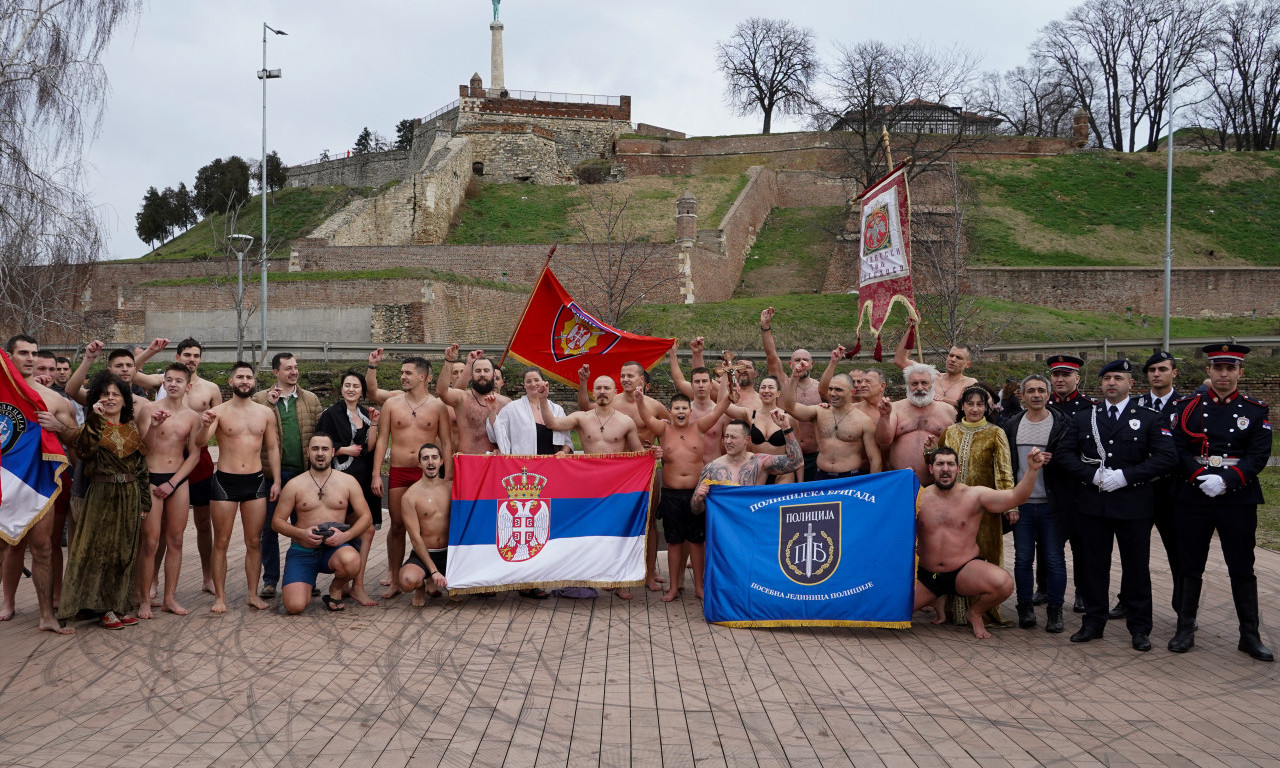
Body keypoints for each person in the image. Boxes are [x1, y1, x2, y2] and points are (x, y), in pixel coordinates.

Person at [1055, 359, 1177, 652]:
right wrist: (1091, 475)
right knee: (1094, 567)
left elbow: (1166, 457)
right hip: (1093, 503)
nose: (1112, 382)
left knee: (1136, 569)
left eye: (1118, 378)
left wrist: (1125, 476)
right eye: (1107, 378)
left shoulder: (1148, 417)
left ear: (1130, 384)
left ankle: (1140, 628)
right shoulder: (1085, 416)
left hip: (1133, 504)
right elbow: (1064, 454)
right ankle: (1093, 623)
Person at [1168, 344, 1274, 661]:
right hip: (1194, 493)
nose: (1224, 374)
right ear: (1208, 371)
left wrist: (1227, 480)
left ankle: (1249, 635)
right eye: (1218, 368)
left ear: (1241, 372)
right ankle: (1185, 629)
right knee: (1189, 564)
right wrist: (1200, 476)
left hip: (1237, 497)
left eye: (1230, 368)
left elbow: (1258, 455)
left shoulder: (1255, 410)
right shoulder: (1187, 407)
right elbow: (1178, 449)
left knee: (1242, 566)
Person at [58, 371, 167, 630]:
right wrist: (95, 418)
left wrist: (144, 502)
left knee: (124, 553)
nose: (110, 398)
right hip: (101, 494)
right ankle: (100, 608)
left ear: (124, 400)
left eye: (115, 394)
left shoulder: (130, 429)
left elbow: (141, 466)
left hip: (129, 494)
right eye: (105, 394)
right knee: (100, 553)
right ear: (97, 399)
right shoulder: (91, 426)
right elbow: (84, 450)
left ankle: (119, 606)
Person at [913, 446, 1047, 640]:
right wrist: (900, 480)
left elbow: (1016, 497)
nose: (945, 469)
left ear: (958, 468)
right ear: (930, 468)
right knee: (894, 613)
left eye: (950, 464)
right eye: (940, 464)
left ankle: (975, 613)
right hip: (929, 575)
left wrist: (1032, 470)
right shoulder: (918, 497)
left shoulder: (974, 495)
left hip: (963, 570)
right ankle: (936, 598)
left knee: (1003, 584)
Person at [536, 373, 644, 599]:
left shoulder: (626, 421)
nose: (602, 392)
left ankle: (618, 583)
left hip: (616, 488)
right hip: (587, 487)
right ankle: (589, 577)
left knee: (617, 536)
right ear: (593, 392)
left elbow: (639, 454)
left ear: (615, 392)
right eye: (599, 388)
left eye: (607, 388)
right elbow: (552, 423)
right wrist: (543, 399)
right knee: (588, 535)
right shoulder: (582, 418)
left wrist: (654, 454)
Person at [0, 335, 78, 633]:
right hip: (4, 481)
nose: (30, 358)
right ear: (9, 357)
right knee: (5, 548)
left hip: (39, 484)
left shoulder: (53, 399)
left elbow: (75, 438)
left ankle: (46, 616)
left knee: (43, 548)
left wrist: (57, 427)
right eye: (23, 353)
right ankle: (8, 602)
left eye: (34, 353)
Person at [132, 337, 222, 595]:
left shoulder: (210, 388)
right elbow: (129, 372)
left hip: (196, 455)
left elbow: (217, 418)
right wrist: (150, 351)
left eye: (196, 355)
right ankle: (153, 581)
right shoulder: (161, 380)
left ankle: (207, 576)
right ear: (177, 357)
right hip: (160, 457)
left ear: (200, 359)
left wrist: (203, 435)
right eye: (187, 355)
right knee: (157, 528)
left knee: (202, 522)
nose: (191, 359)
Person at [635, 371, 733, 602]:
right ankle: (673, 588)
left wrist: (729, 390)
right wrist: (639, 400)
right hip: (671, 495)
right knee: (674, 542)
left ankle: (699, 587)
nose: (680, 412)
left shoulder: (700, 426)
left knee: (697, 541)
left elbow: (719, 409)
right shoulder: (663, 430)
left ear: (690, 411)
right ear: (670, 413)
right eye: (676, 409)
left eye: (684, 408)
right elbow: (647, 418)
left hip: (695, 494)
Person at [366, 351, 452, 599]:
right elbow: (383, 440)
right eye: (402, 372)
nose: (402, 376)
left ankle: (428, 578)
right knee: (397, 525)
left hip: (429, 472)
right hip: (400, 471)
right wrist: (376, 474)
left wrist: (448, 476)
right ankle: (395, 577)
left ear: (422, 377)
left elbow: (447, 443)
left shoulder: (437, 406)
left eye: (407, 373)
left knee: (428, 524)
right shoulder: (392, 404)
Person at [197, 362, 281, 613]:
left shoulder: (265, 413)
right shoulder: (218, 412)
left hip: (255, 482)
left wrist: (277, 481)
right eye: (240, 377)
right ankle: (220, 597)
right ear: (230, 382)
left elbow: (272, 448)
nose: (245, 381)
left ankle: (252, 595)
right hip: (225, 482)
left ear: (254, 382)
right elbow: (201, 442)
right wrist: (204, 424)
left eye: (249, 377)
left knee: (254, 541)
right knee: (221, 541)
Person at [933, 386, 1015, 627]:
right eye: (970, 404)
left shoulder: (995, 433)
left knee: (984, 553)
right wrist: (929, 450)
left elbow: (1004, 470)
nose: (975, 409)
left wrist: (1010, 505)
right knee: (951, 554)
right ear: (962, 406)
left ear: (987, 408)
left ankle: (982, 610)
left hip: (984, 509)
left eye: (980, 404)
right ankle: (954, 611)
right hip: (952, 507)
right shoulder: (950, 432)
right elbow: (939, 464)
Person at [272, 433, 373, 615]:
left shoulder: (348, 482)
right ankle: (305, 581)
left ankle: (336, 588)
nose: (320, 453)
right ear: (307, 452)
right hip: (303, 551)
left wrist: (345, 536)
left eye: (325, 449)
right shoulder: (295, 485)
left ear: (333, 452)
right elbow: (276, 522)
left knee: (351, 560)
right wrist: (301, 533)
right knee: (294, 607)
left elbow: (366, 517)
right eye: (315, 449)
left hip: (334, 550)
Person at [1116, 350, 1183, 620]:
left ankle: (1183, 609)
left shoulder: (1187, 405)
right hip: (1139, 489)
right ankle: (1127, 601)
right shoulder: (1134, 404)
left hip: (1173, 490)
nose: (1156, 374)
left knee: (1178, 552)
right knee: (1133, 552)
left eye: (1162, 369)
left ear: (1174, 373)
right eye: (1152, 370)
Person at [252, 352, 323, 600]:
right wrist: (268, 405)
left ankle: (305, 579)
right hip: (272, 475)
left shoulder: (310, 399)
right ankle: (270, 580)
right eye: (288, 368)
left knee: (304, 529)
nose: (294, 372)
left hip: (303, 475)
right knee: (270, 529)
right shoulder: (260, 399)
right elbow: (253, 427)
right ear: (275, 372)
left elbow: (321, 434)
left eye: (295, 367)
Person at [1001, 374, 1069, 633]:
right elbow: (1007, 466)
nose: (1036, 395)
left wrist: (1056, 460)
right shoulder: (1012, 425)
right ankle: (1025, 607)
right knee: (1022, 559)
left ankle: (1055, 610)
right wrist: (1010, 502)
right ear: (1022, 395)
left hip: (1052, 504)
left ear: (1049, 394)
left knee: (1054, 559)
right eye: (1031, 391)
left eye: (1041, 390)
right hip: (1023, 505)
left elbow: (1074, 458)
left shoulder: (1062, 423)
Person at [137, 363, 202, 618]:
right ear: (163, 383)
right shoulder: (148, 409)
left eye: (179, 381)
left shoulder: (192, 417)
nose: (173, 384)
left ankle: (169, 599)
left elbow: (194, 455)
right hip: (152, 479)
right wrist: (154, 426)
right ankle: (144, 600)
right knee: (150, 542)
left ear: (188, 386)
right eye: (169, 380)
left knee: (176, 540)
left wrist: (173, 482)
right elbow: (142, 449)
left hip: (177, 481)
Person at [315, 370, 382, 606]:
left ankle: (352, 585)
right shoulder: (331, 414)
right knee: (355, 529)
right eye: (347, 385)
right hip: (339, 480)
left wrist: (374, 423)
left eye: (355, 385)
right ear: (341, 388)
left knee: (363, 530)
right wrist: (342, 449)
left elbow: (370, 447)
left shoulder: (365, 413)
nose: (351, 389)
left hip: (362, 479)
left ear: (362, 390)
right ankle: (349, 583)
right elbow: (319, 443)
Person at [1036, 353, 1097, 611]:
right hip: (1047, 483)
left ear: (1077, 378)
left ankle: (1082, 591)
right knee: (1046, 540)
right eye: (1056, 375)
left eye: (1066, 375)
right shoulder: (1042, 405)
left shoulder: (1089, 408)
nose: (1060, 379)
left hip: (1077, 485)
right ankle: (1044, 587)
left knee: (1081, 543)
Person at [781, 359, 881, 480]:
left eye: (838, 389)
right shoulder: (819, 412)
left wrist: (874, 486)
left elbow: (874, 459)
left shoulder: (864, 421)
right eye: (830, 389)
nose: (833, 393)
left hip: (850, 479)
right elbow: (790, 407)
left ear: (852, 392)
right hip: (821, 476)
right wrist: (795, 377)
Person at [690, 415, 803, 513]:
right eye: (726, 436)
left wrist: (786, 428)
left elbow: (796, 462)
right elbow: (696, 510)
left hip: (751, 522)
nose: (728, 441)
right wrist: (698, 500)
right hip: (725, 526)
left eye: (733, 437)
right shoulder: (712, 468)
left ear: (747, 440)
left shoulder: (759, 462)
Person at [761, 308, 819, 481]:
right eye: (797, 360)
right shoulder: (783, 383)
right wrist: (765, 327)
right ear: (790, 364)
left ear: (811, 364)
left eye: (805, 360)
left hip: (815, 456)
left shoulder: (821, 388)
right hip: (786, 457)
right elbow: (771, 356)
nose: (801, 363)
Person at [875, 364, 956, 483]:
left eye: (924, 383)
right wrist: (884, 417)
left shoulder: (949, 411)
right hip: (899, 480)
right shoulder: (895, 408)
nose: (919, 388)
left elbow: (956, 447)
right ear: (907, 385)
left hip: (937, 483)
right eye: (914, 383)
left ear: (932, 385)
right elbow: (883, 442)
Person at [397, 443, 451, 606]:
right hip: (425, 553)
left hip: (451, 553)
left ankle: (446, 582)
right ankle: (421, 586)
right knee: (407, 581)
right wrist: (433, 571)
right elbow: (415, 538)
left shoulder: (452, 488)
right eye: (425, 458)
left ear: (441, 461)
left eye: (434, 457)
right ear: (419, 464)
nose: (430, 462)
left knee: (483, 584)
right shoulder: (410, 497)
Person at [438, 346, 508, 454]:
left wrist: (503, 448)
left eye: (486, 370)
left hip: (495, 461)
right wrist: (449, 361)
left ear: (494, 375)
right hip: (467, 460)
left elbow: (512, 436)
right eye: (478, 371)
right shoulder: (462, 398)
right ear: (471, 375)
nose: (482, 374)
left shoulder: (505, 403)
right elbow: (442, 392)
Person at [488, 367, 573, 456]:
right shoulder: (512, 409)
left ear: (543, 381)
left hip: (552, 462)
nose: (533, 384)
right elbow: (498, 433)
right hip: (524, 463)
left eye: (536, 380)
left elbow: (566, 440)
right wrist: (492, 412)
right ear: (524, 385)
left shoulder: (557, 410)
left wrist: (563, 452)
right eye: (528, 381)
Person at [894, 324, 977, 408]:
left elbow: (968, 406)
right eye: (951, 355)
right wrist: (911, 329)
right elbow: (900, 361)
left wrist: (942, 399)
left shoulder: (970, 382)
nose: (953, 359)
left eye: (958, 358)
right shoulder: (931, 375)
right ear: (947, 357)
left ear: (968, 364)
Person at [746, 376, 799, 484]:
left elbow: (797, 452)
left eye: (770, 387)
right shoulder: (750, 415)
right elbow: (725, 408)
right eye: (763, 387)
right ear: (759, 392)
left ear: (778, 393)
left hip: (783, 473)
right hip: (758, 472)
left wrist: (801, 482)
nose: (766, 390)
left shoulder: (788, 418)